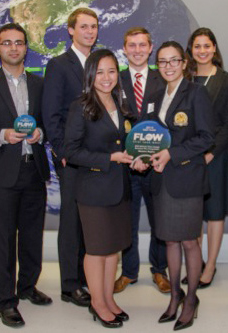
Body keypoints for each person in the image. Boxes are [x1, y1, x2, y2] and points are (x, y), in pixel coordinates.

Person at [0, 23, 52, 328]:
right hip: (1, 173)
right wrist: (3, 134)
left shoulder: (39, 83)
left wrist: (40, 133)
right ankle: (6, 301)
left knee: (32, 236)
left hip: (34, 169)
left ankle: (27, 287)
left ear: (26, 47)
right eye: (7, 43)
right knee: (3, 239)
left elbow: (47, 123)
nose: (14, 48)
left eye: (19, 43)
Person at [140, 41, 213, 331]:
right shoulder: (154, 97)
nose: (168, 66)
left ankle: (192, 299)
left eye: (174, 61)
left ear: (184, 63)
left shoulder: (197, 93)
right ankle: (174, 296)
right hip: (161, 180)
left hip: (186, 179)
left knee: (189, 242)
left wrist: (172, 153)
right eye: (163, 61)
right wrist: (143, 156)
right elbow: (148, 136)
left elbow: (207, 137)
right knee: (169, 240)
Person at [64, 49, 133, 329]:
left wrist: (135, 158)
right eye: (101, 72)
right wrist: (109, 159)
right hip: (93, 190)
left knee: (112, 248)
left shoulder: (120, 103)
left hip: (119, 188)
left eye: (112, 71)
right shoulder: (81, 106)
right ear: (91, 75)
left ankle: (108, 298)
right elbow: (70, 151)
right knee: (96, 250)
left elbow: (125, 143)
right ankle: (98, 303)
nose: (107, 78)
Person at [42, 7, 98, 307]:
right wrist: (63, 153)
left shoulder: (100, 62)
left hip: (98, 157)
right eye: (84, 27)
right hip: (72, 158)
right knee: (72, 221)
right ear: (71, 30)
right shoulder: (59, 65)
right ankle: (69, 284)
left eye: (94, 27)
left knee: (91, 219)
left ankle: (89, 276)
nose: (90, 32)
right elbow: (51, 115)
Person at [113, 27, 169, 294]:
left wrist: (150, 156)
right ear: (125, 48)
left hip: (157, 165)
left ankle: (159, 270)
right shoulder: (115, 79)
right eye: (131, 45)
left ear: (150, 48)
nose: (137, 50)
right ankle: (129, 272)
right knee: (127, 222)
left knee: (160, 221)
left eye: (142, 45)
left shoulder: (164, 79)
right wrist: (132, 157)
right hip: (126, 166)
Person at [185, 27, 228, 288]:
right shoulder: (184, 78)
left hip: (215, 157)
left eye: (207, 46)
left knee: (215, 212)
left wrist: (210, 152)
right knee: (193, 212)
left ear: (214, 49)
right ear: (191, 50)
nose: (202, 51)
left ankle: (211, 265)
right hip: (188, 157)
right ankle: (194, 265)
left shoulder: (227, 80)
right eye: (197, 46)